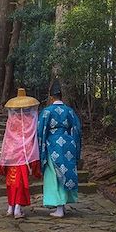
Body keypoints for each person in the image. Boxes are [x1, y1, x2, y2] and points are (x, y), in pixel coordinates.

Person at [37, 80, 82, 218]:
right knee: (65, 172)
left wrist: (41, 147)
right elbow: (77, 130)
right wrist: (75, 146)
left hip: (52, 145)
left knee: (54, 175)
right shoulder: (70, 111)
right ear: (61, 96)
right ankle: (63, 205)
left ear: (51, 97)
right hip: (68, 144)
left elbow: (41, 131)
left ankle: (59, 207)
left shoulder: (46, 112)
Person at [0, 88, 42, 219]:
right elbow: (32, 137)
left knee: (11, 182)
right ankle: (17, 208)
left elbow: (8, 138)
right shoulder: (30, 119)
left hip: (11, 155)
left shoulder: (12, 120)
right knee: (20, 182)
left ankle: (11, 207)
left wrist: (6, 155)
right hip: (25, 155)